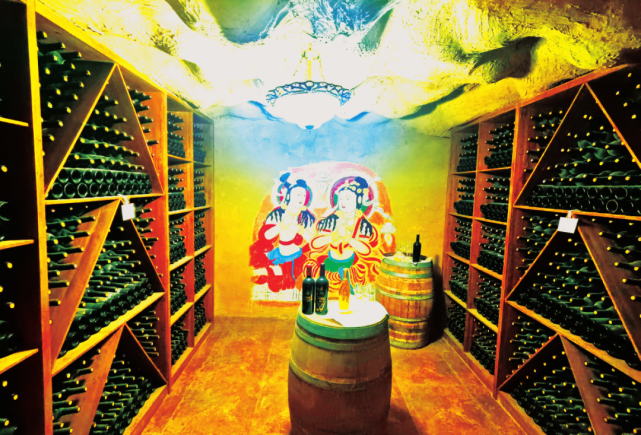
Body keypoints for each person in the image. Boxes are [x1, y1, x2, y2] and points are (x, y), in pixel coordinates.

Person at [309, 176, 381, 293]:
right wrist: (334, 236)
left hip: (351, 266)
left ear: (358, 200)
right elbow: (315, 244)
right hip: (331, 265)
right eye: (341, 198)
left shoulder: (362, 225)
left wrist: (349, 239)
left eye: (348, 198)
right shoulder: (331, 221)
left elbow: (366, 250)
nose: (343, 202)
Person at [250, 173, 316, 292]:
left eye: (303, 195)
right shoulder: (277, 214)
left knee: (284, 282)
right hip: (276, 254)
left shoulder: (306, 217)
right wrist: (281, 226)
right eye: (298, 194)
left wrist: (300, 229)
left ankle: (272, 272)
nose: (301, 198)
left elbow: (314, 241)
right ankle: (269, 271)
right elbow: (265, 236)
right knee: (257, 257)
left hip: (295, 257)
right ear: (288, 195)